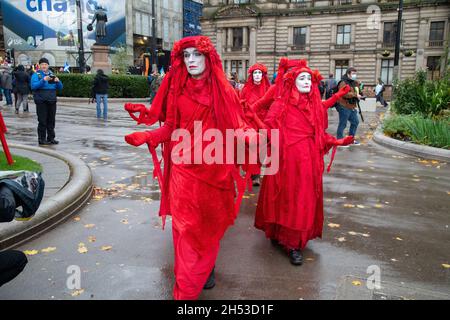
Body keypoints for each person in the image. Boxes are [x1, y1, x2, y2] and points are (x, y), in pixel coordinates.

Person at [124, 36, 257, 300]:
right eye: (187, 56)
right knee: (185, 231)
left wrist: (250, 136)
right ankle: (185, 292)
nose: (192, 60)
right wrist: (149, 136)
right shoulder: (177, 88)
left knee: (208, 228)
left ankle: (204, 267)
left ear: (208, 58)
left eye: (197, 54)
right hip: (184, 172)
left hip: (214, 171)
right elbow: (171, 127)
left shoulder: (224, 91)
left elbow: (237, 125)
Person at [246, 60, 353, 266]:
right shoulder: (281, 104)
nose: (306, 82)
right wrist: (253, 117)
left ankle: (294, 242)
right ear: (292, 82)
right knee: (285, 196)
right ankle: (283, 236)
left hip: (308, 161)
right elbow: (269, 131)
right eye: (301, 78)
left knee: (303, 197)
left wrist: (338, 140)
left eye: (309, 79)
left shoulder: (314, 105)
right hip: (286, 160)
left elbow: (319, 133)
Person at [240, 63, 271, 186]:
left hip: (264, 122)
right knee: (252, 148)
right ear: (251, 75)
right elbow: (241, 105)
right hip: (250, 122)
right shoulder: (245, 89)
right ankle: (255, 175)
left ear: (263, 75)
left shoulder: (268, 89)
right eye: (255, 73)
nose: (257, 75)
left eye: (259, 73)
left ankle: (255, 171)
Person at [31, 58, 63, 146]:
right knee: (42, 121)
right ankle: (42, 139)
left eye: (45, 64)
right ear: (39, 66)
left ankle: (51, 138)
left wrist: (58, 81)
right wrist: (43, 80)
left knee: (51, 120)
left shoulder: (51, 74)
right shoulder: (36, 75)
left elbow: (60, 87)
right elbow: (33, 86)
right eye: (42, 64)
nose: (44, 66)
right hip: (42, 101)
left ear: (48, 65)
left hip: (52, 100)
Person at [336, 67, 361, 146]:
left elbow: (358, 90)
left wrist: (361, 94)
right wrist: (355, 95)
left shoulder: (354, 82)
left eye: (355, 73)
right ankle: (339, 140)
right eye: (353, 74)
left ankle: (350, 139)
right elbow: (343, 93)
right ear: (348, 74)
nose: (355, 75)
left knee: (355, 122)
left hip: (352, 106)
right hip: (343, 105)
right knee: (343, 123)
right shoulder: (343, 82)